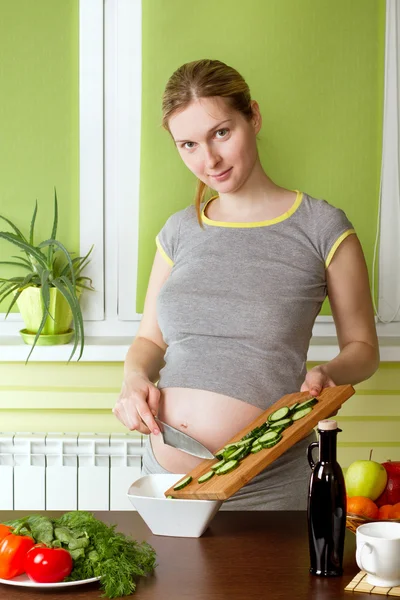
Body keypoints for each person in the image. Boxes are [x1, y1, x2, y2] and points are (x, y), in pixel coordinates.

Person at [113, 59, 379, 510]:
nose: (209, 160)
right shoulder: (179, 230)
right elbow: (149, 339)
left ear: (252, 117)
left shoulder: (321, 227)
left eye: (221, 133)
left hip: (266, 488)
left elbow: (363, 348)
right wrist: (133, 378)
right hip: (166, 484)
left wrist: (330, 374)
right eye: (188, 144)